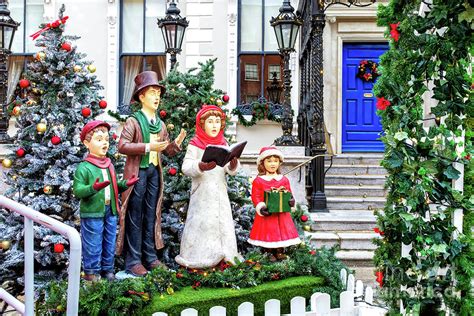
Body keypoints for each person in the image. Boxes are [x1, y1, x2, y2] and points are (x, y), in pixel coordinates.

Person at [117, 71, 187, 276]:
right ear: (141, 96)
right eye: (152, 92)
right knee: (135, 215)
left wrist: (177, 143)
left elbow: (167, 151)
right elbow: (123, 146)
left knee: (151, 215)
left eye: (158, 93)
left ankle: (150, 257)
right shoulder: (134, 122)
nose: (157, 97)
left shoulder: (160, 124)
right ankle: (133, 260)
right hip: (138, 173)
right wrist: (148, 146)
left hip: (154, 173)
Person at [175, 105, 242, 268]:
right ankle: (199, 259)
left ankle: (224, 257)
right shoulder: (195, 143)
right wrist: (200, 166)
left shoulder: (223, 142)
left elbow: (228, 169)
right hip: (202, 195)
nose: (214, 125)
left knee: (221, 224)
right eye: (210, 121)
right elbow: (186, 167)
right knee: (203, 225)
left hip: (220, 192)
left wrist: (232, 165)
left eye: (217, 121)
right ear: (202, 124)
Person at [73, 120, 139, 281]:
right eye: (99, 139)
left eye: (106, 140)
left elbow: (114, 186)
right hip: (93, 212)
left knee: (109, 242)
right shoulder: (85, 167)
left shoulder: (108, 164)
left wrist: (125, 184)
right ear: (87, 143)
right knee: (93, 244)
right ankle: (92, 273)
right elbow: (78, 190)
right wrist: (93, 188)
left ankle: (107, 270)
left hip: (111, 211)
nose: (105, 143)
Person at [248, 146, 301, 260]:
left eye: (275, 161)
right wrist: (261, 207)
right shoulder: (259, 180)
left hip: (281, 214)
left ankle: (280, 251)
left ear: (279, 163)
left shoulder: (283, 179)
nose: (273, 164)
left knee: (282, 232)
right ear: (263, 163)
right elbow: (256, 196)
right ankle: (269, 252)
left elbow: (289, 193)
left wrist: (291, 201)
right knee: (269, 231)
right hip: (268, 213)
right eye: (269, 161)